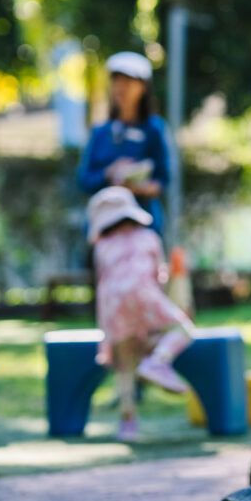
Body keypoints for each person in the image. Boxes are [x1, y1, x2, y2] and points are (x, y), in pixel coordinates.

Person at [86, 186, 194, 441]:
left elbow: (102, 280)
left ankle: (128, 424)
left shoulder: (102, 246)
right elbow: (159, 276)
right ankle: (158, 360)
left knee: (125, 364)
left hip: (112, 305)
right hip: (143, 294)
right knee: (184, 328)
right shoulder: (149, 237)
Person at [78, 51, 171, 239]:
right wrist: (109, 173)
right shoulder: (101, 131)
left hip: (145, 227)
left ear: (143, 87)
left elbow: (164, 179)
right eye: (117, 81)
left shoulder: (154, 129)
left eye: (128, 82)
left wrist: (138, 187)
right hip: (103, 228)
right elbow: (84, 179)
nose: (121, 88)